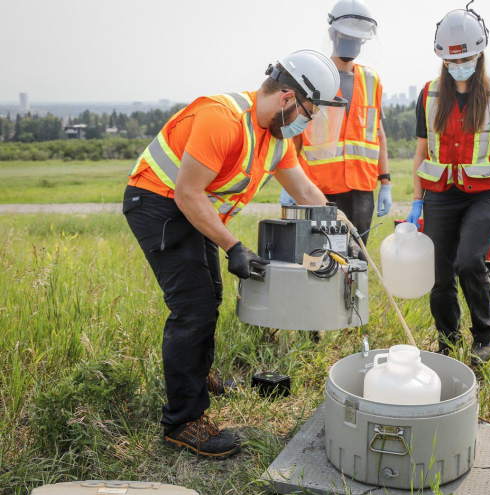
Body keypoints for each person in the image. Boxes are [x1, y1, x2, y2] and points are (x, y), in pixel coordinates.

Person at [123, 49, 345, 459]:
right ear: (286, 99)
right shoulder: (222, 119)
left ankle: (196, 376)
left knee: (210, 300)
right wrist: (232, 246)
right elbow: (187, 193)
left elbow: (306, 193)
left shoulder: (276, 139)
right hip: (158, 204)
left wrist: (342, 231)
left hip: (191, 209)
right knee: (193, 306)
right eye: (308, 113)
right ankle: (182, 422)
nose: (307, 122)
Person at [406, 3, 490, 365]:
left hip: (484, 196)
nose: (459, 65)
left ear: (480, 53)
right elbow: (419, 154)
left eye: (467, 57)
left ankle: (484, 336)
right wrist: (415, 203)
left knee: (469, 260)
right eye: (451, 60)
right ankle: (447, 341)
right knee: (440, 275)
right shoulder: (429, 94)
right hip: (440, 195)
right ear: (442, 58)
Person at [281, 0, 391, 256]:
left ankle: (355, 298)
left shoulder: (371, 80)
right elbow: (294, 133)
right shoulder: (315, 75)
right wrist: (288, 183)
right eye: (347, 36)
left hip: (362, 188)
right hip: (320, 187)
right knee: (321, 258)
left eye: (358, 39)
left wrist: (385, 182)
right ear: (332, 33)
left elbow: (378, 133)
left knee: (357, 258)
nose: (353, 43)